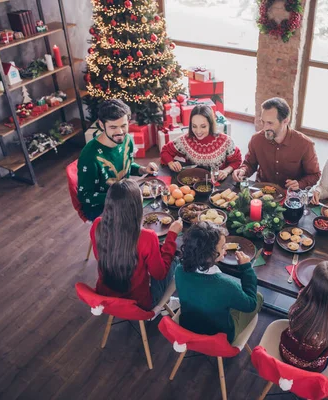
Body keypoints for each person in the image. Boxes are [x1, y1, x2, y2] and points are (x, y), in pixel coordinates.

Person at [90, 179, 183, 314]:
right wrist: (172, 235)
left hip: (106, 298)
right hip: (139, 305)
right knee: (175, 259)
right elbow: (160, 274)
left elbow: (100, 256)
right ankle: (162, 306)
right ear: (136, 207)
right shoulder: (147, 237)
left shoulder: (97, 225)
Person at [175, 222, 264, 343]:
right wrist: (247, 269)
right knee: (258, 297)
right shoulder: (226, 285)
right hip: (219, 338)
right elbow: (251, 305)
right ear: (209, 255)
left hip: (188, 326)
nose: (225, 249)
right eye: (222, 247)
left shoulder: (179, 270)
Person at [78, 99, 159, 220]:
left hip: (124, 197)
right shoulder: (89, 156)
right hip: (100, 208)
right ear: (101, 125)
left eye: (123, 126)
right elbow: (84, 196)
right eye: (113, 127)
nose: (120, 132)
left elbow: (126, 166)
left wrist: (143, 170)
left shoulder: (127, 140)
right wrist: (119, 197)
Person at [232, 97, 321, 191]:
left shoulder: (305, 144)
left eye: (270, 123)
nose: (265, 128)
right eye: (263, 122)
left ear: (286, 121)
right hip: (261, 192)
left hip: (290, 196)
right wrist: (243, 170)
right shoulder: (256, 139)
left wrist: (300, 184)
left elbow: (315, 174)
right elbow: (249, 164)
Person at [160, 105, 242, 180]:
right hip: (192, 184)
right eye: (194, 126)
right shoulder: (186, 140)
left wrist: (226, 171)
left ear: (210, 124)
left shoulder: (225, 141)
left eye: (203, 126)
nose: (198, 131)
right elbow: (165, 150)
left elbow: (237, 160)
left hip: (218, 184)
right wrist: (171, 163)